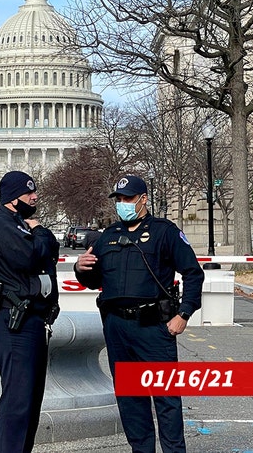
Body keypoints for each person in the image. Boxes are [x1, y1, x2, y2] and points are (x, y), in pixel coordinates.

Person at [74, 175, 204, 453]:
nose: (122, 204)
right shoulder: (107, 236)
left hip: (153, 326)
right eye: (119, 199)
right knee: (131, 398)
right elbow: (95, 280)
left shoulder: (164, 232)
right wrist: (80, 267)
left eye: (128, 198)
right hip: (117, 327)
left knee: (166, 398)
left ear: (143, 199)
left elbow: (193, 273)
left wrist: (184, 314)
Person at [0, 171, 60, 453]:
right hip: (12, 320)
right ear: (13, 198)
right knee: (18, 402)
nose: (34, 197)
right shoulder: (2, 225)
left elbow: (50, 251)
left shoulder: (18, 223)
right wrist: (40, 233)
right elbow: (29, 255)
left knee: (30, 402)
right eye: (28, 193)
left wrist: (40, 238)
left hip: (30, 320)